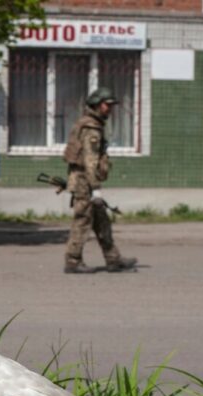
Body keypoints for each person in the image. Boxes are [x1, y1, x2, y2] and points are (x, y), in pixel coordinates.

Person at [62, 87, 137, 274]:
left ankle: (114, 259)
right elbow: (90, 161)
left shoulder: (92, 124)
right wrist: (95, 189)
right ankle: (73, 261)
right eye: (107, 105)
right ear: (96, 105)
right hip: (84, 183)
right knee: (82, 221)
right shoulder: (91, 128)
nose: (110, 109)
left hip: (86, 181)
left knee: (102, 222)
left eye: (111, 105)